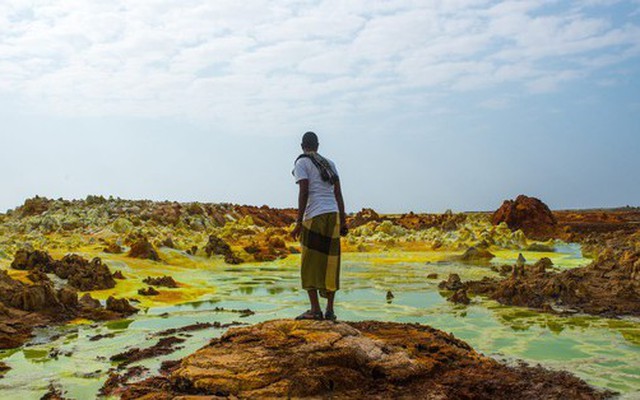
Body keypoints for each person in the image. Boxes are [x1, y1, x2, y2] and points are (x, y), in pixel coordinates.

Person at [291, 131, 347, 321]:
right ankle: (330, 310)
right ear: (318, 145)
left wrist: (298, 222)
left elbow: (304, 191)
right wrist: (344, 220)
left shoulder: (302, 163)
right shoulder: (329, 164)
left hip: (314, 216)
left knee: (310, 263)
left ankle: (315, 310)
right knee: (330, 262)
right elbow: (338, 193)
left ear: (302, 146)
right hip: (332, 215)